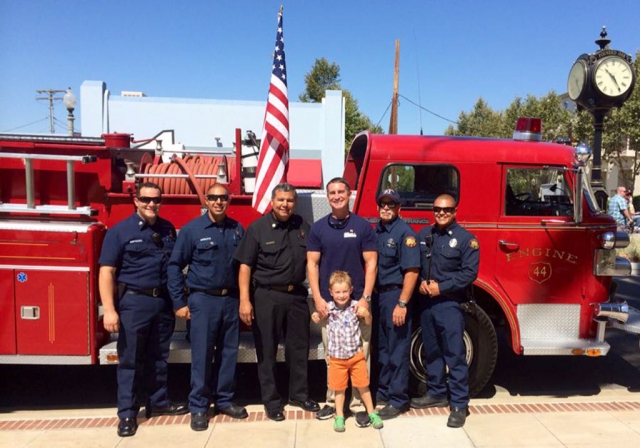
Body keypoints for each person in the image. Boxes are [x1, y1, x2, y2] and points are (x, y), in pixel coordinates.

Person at [98, 182, 187, 437]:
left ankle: (158, 402)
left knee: (159, 357)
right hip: (134, 303)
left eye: (156, 200)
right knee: (131, 360)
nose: (151, 204)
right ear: (136, 201)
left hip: (162, 303)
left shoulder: (168, 229)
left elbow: (173, 268)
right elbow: (107, 272)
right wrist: (110, 310)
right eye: (146, 200)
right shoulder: (119, 232)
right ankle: (127, 413)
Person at [233, 183, 320, 421]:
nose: (285, 204)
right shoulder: (257, 228)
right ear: (272, 202)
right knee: (267, 350)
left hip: (296, 297)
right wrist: (244, 300)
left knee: (298, 349)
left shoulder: (303, 226)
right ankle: (271, 401)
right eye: (281, 200)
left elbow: (315, 258)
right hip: (266, 296)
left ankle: (299, 395)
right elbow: (245, 266)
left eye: (290, 200)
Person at [167, 183, 247, 431]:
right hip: (203, 300)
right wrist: (179, 302)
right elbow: (174, 266)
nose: (218, 202)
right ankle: (199, 407)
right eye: (213, 198)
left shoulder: (237, 229)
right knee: (201, 355)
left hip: (230, 300)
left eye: (223, 197)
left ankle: (223, 400)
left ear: (229, 200)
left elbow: (245, 266)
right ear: (206, 200)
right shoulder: (192, 230)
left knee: (228, 353)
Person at [307, 177, 378, 425]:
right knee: (332, 356)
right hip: (330, 306)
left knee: (361, 356)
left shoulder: (362, 227)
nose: (336, 196)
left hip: (357, 305)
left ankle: (358, 406)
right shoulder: (318, 229)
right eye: (332, 193)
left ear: (350, 195)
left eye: (341, 192)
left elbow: (371, 264)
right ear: (327, 197)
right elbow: (312, 264)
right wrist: (317, 298)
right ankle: (331, 402)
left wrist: (366, 299)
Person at [410, 193, 479, 428]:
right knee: (432, 351)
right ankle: (437, 392)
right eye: (437, 209)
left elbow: (469, 273)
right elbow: (416, 264)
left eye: (446, 210)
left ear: (455, 211)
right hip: (427, 304)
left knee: (454, 354)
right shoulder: (424, 235)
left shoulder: (466, 240)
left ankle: (459, 404)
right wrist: (419, 281)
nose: (441, 213)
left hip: (450, 304)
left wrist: (441, 287)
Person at [311, 271, 384, 432]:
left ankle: (372, 413)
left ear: (351, 290)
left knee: (363, 385)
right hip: (337, 359)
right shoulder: (328, 308)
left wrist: (366, 315)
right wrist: (315, 316)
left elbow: (368, 321)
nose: (341, 295)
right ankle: (339, 416)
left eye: (345, 291)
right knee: (339, 388)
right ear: (331, 292)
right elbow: (318, 316)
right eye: (337, 292)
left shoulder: (356, 306)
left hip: (356, 356)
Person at [374, 189, 420, 420]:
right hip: (380, 297)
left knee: (397, 350)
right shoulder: (378, 231)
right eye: (382, 204)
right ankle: (383, 393)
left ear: (399, 208)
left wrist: (402, 303)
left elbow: (412, 272)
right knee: (382, 349)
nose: (386, 208)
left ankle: (398, 399)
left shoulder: (405, 234)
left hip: (395, 296)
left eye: (391, 205)